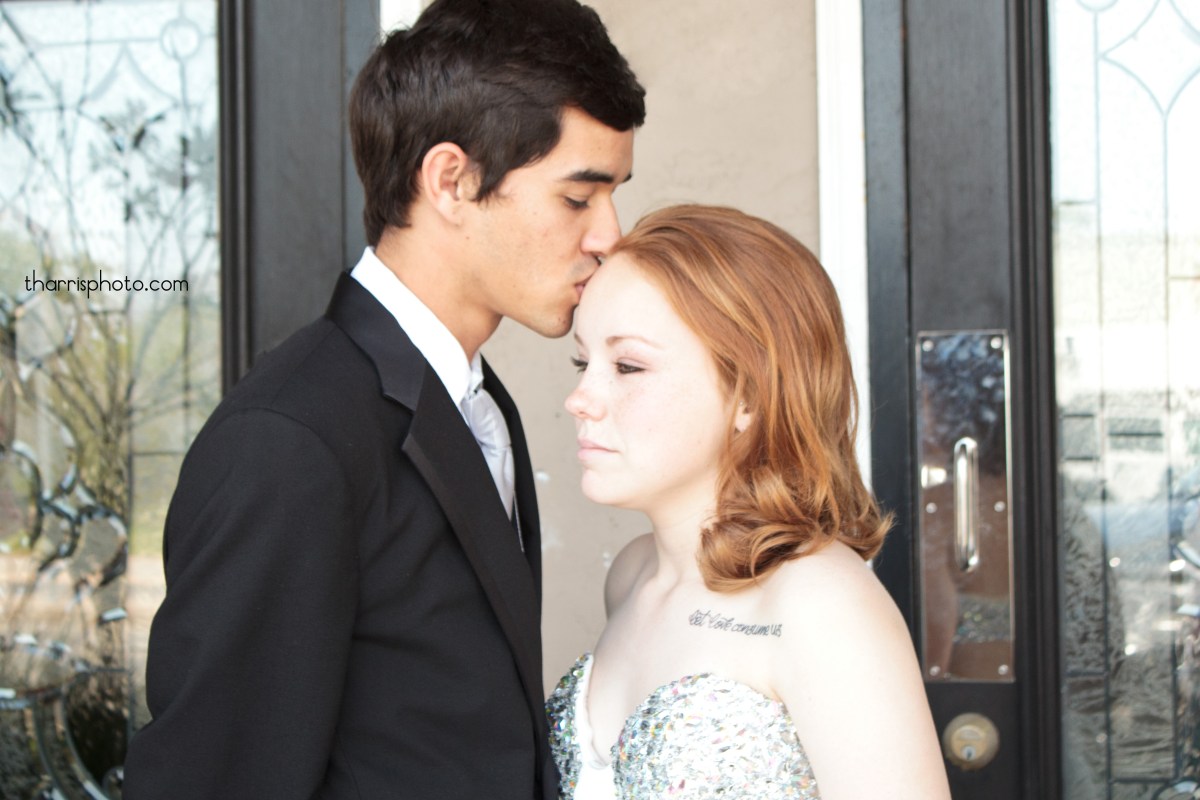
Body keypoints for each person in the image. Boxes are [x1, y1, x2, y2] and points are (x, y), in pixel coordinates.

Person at [122, 0, 644, 797]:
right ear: (451, 181)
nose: (609, 234)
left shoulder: (479, 402)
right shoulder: (292, 440)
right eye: (579, 197)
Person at [547, 205, 950, 799]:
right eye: (585, 362)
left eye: (627, 365)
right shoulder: (632, 576)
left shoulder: (822, 604)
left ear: (749, 395)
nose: (580, 398)